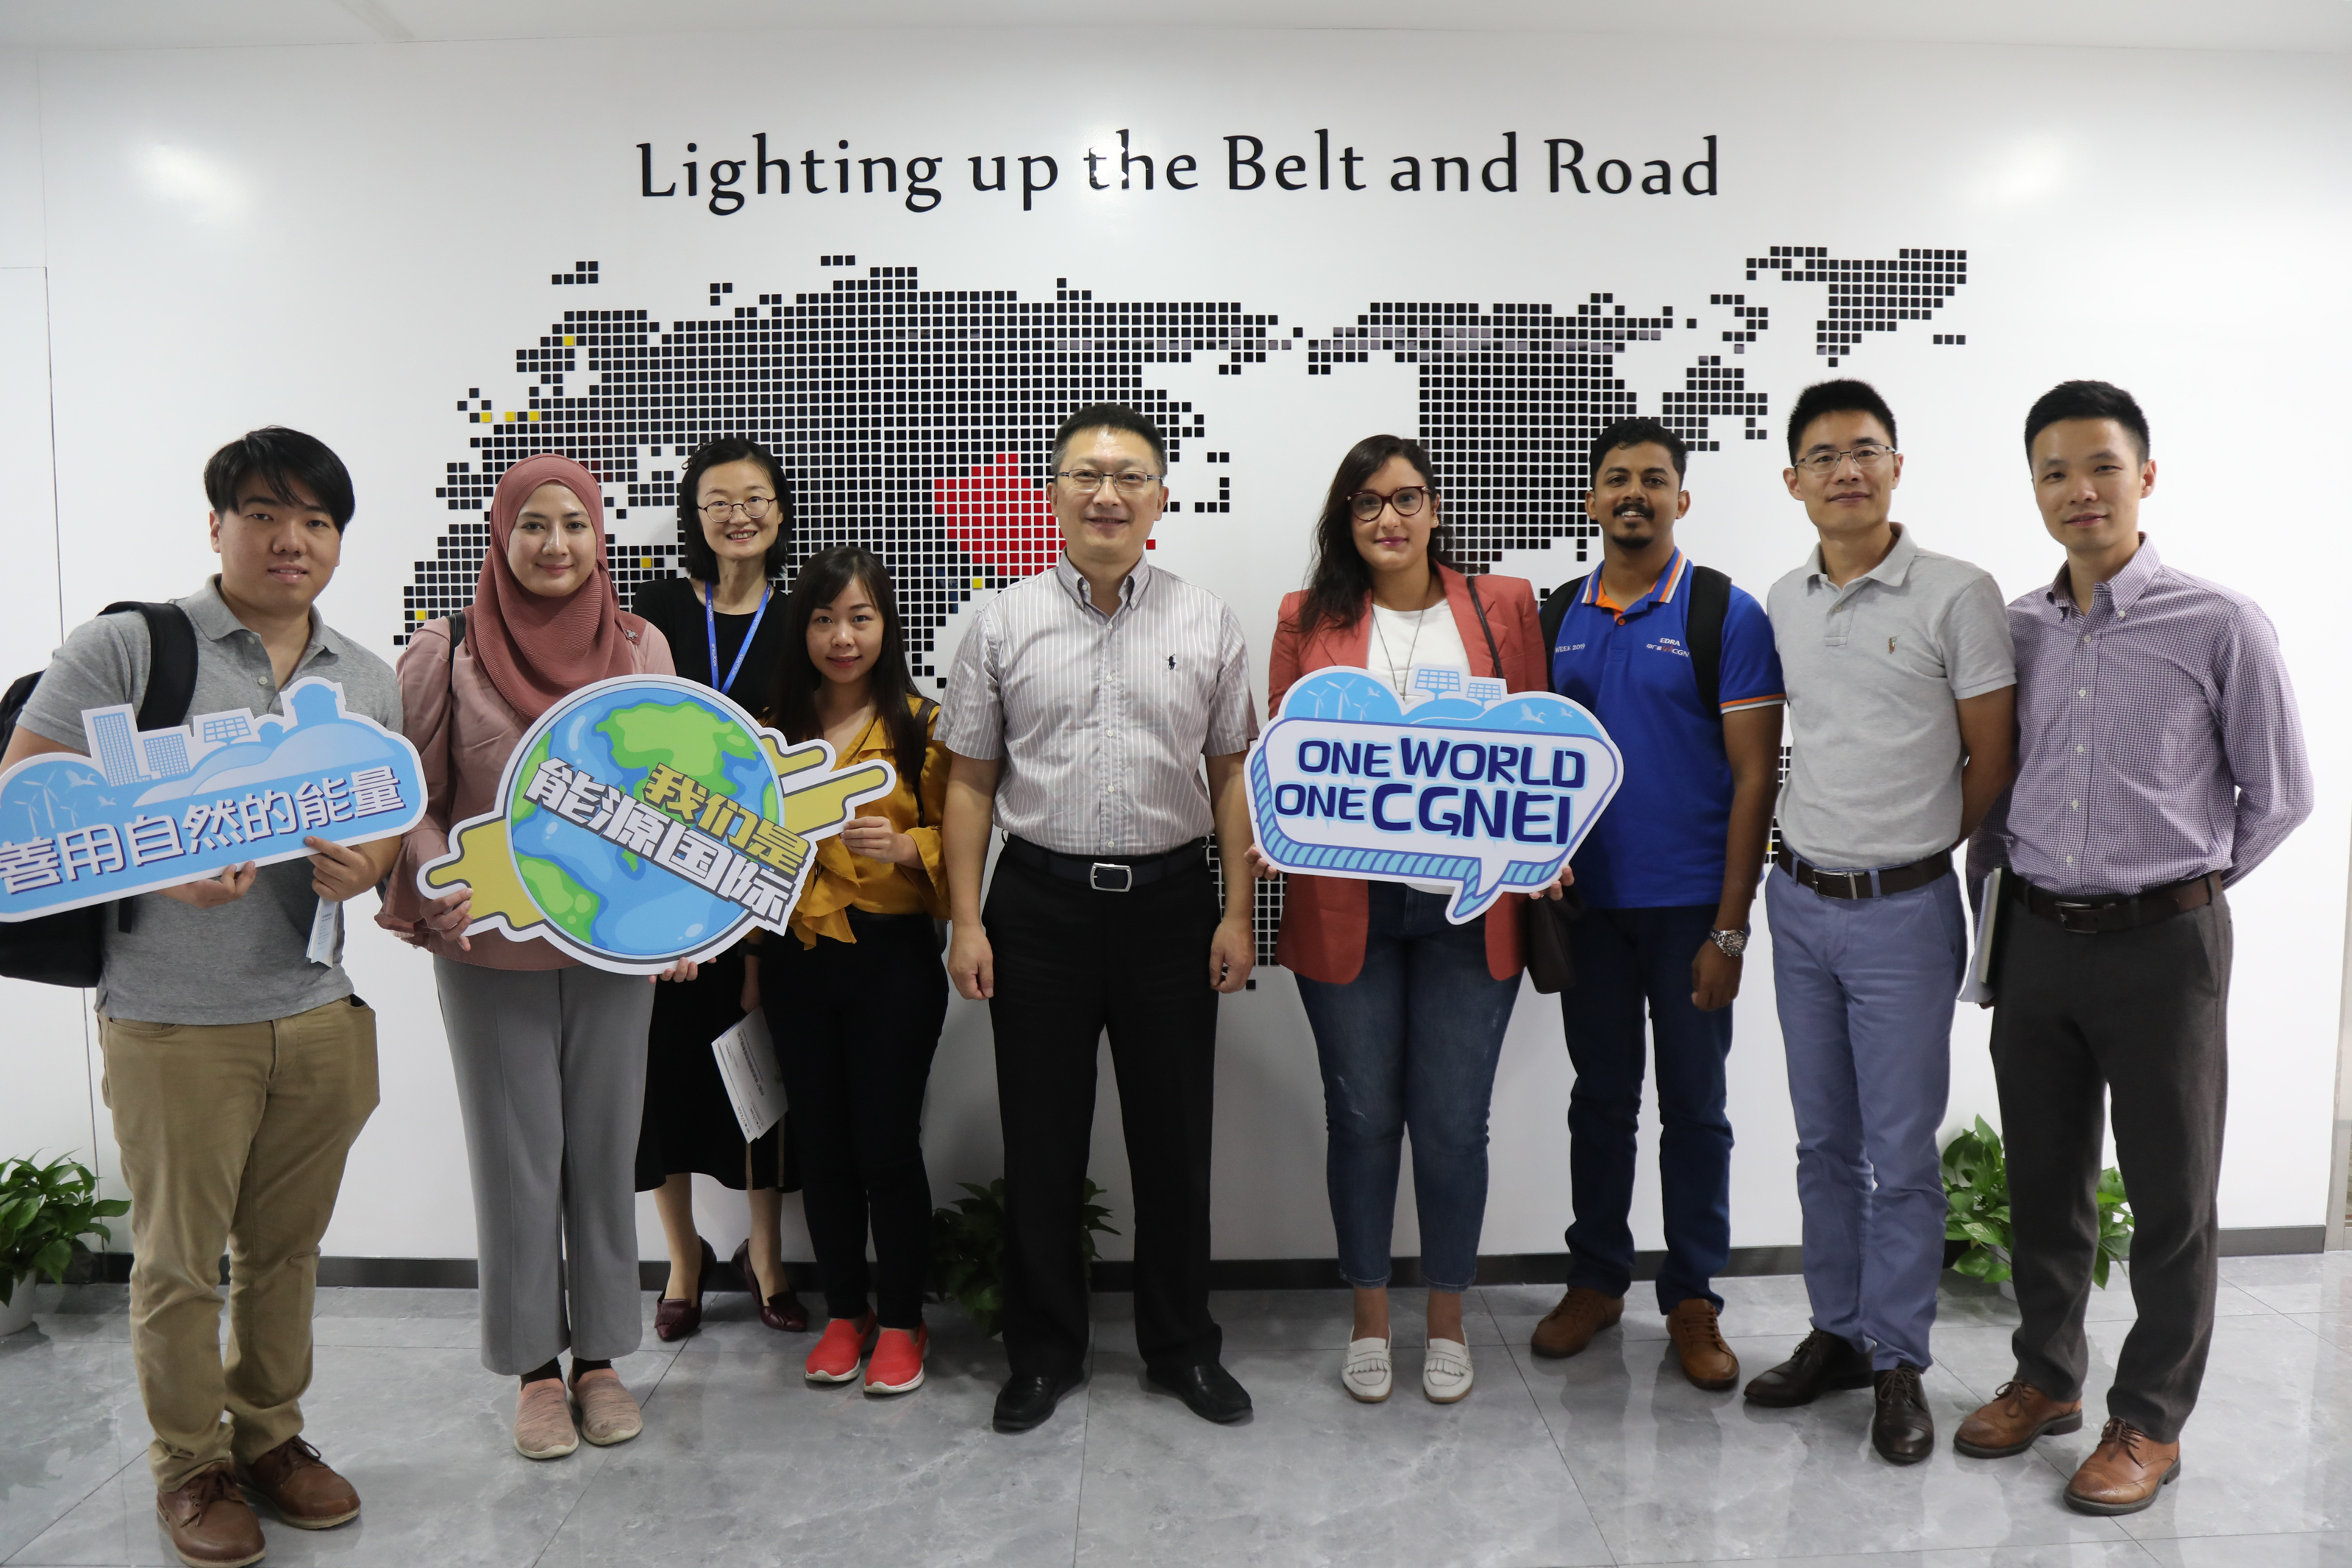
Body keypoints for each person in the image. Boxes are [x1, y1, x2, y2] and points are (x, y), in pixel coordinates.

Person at [1, 428, 402, 1567]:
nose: (291, 540)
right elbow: (22, 797)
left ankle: (271, 1438)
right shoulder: (131, 649)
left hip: (317, 1008)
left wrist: (370, 866)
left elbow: (384, 819)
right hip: (174, 1019)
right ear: (216, 523)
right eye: (265, 514)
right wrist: (153, 859)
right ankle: (191, 1466)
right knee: (178, 1265)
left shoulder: (364, 677)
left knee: (286, 1252)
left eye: (316, 521)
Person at [1956, 382, 2310, 1513]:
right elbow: (1990, 790)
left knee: (2170, 1196)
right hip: (2035, 938)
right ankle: (2046, 1378)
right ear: (2033, 489)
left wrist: (2181, 890)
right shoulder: (2015, 629)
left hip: (2165, 947)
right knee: (2042, 1179)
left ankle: (2149, 1421)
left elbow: (2279, 794)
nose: (2079, 490)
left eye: (2100, 466)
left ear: (2143, 476)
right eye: (2054, 472)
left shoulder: (2219, 622)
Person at [940, 402, 1259, 1433]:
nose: (1107, 494)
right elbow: (968, 784)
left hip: (1173, 905)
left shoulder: (1207, 621)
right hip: (1037, 907)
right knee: (1041, 1141)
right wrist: (965, 921)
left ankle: (1182, 1347)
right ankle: (1043, 1353)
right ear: (1052, 496)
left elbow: (1231, 775)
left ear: (1162, 497)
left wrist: (1238, 911)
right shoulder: (1001, 622)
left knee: (1175, 1141)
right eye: (1086, 474)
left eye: (1130, 477)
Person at [379, 454, 683, 1464]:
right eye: (534, 525)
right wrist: (438, 877)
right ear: (500, 535)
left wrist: (684, 921)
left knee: (603, 1150)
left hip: (612, 948)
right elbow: (411, 797)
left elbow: (679, 796)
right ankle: (533, 1370)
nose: (557, 545)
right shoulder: (448, 649)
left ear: (601, 536)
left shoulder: (640, 645)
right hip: (491, 947)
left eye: (576, 524)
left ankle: (599, 1358)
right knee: (517, 1161)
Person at [1744, 380, 2017, 1466]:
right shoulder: (1783, 598)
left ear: (1896, 465)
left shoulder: (1957, 592)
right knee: (1824, 1143)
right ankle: (1839, 1332)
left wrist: (1920, 846)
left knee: (1900, 1154)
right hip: (1798, 900)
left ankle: (1899, 1358)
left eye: (1864, 450)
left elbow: (1991, 754)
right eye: (1822, 456)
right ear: (1793, 481)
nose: (1844, 470)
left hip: (1902, 911)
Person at [1266, 434, 1561, 1406]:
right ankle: (1367, 1314)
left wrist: (1546, 841)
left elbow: (1536, 739)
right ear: (1344, 519)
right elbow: (1284, 749)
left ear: (1434, 508)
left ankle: (1445, 1315)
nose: (1386, 517)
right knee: (1360, 1117)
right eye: (1365, 502)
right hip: (1344, 903)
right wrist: (1279, 823)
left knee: (1452, 1123)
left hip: (1470, 907)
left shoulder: (1502, 604)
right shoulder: (1304, 616)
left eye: (1404, 498)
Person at [1530, 417, 1784, 1391]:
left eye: (1651, 477)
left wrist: (1731, 926)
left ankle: (1691, 1297)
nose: (1631, 492)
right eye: (1614, 478)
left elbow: (1755, 777)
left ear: (1681, 497)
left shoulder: (1726, 612)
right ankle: (1595, 1280)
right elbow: (1529, 760)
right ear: (1591, 499)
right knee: (1600, 1101)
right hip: (1588, 911)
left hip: (1690, 912)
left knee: (1696, 1109)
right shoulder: (1557, 614)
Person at [761, 545, 952, 1396]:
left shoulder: (922, 723)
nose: (843, 637)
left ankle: (904, 1318)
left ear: (887, 626)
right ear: (801, 630)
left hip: (893, 959)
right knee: (822, 1142)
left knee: (886, 1142)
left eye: (860, 618)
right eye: (824, 619)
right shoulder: (769, 731)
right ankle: (847, 1309)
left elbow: (966, 839)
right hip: (795, 957)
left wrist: (910, 847)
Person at [628, 435, 808, 1340]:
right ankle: (683, 1257)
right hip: (657, 876)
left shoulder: (803, 613)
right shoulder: (657, 610)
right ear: (694, 517)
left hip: (762, 873)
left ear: (780, 509)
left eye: (755, 498)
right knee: (662, 1077)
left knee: (759, 1076)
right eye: (718, 502)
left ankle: (765, 1254)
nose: (739, 515)